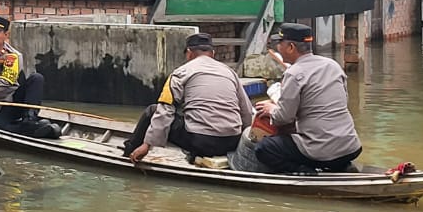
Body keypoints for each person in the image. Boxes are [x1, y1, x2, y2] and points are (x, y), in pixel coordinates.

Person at [122, 32, 254, 163]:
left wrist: (147, 144)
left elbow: (165, 110)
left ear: (189, 53)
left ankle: (129, 151)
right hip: (232, 141)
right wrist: (243, 143)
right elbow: (246, 111)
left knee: (152, 110)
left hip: (200, 142)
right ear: (212, 53)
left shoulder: (180, 73)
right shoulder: (230, 73)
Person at [251, 23, 362, 173]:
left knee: (264, 148)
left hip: (319, 151)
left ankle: (303, 170)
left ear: (290, 47)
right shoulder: (333, 66)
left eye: (279, 44)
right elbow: (340, 102)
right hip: (351, 147)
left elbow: (283, 118)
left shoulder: (294, 73)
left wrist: (272, 109)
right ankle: (340, 165)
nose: (278, 49)